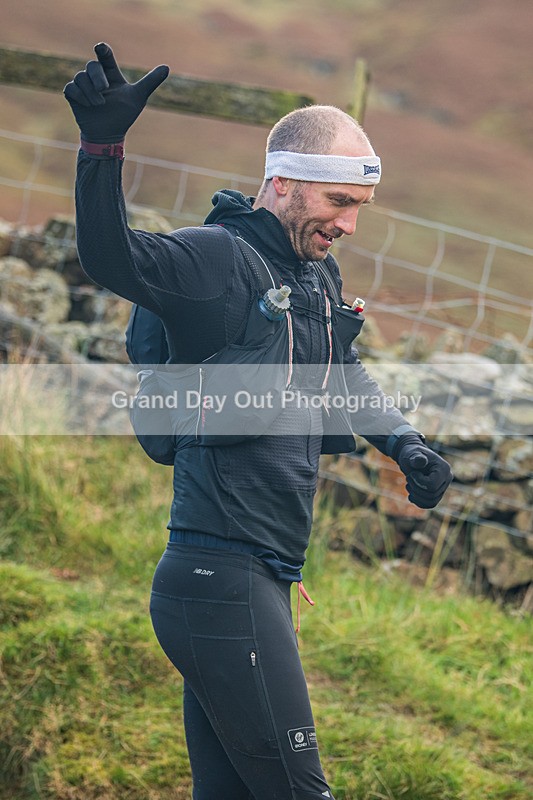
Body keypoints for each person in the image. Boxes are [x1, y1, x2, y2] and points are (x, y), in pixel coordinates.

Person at [64, 43, 452, 800]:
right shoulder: (216, 259)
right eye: (339, 205)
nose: (347, 227)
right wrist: (101, 147)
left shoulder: (313, 275)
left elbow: (338, 372)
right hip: (218, 578)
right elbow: (111, 260)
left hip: (261, 579)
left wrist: (402, 441)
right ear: (282, 183)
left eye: (358, 211)